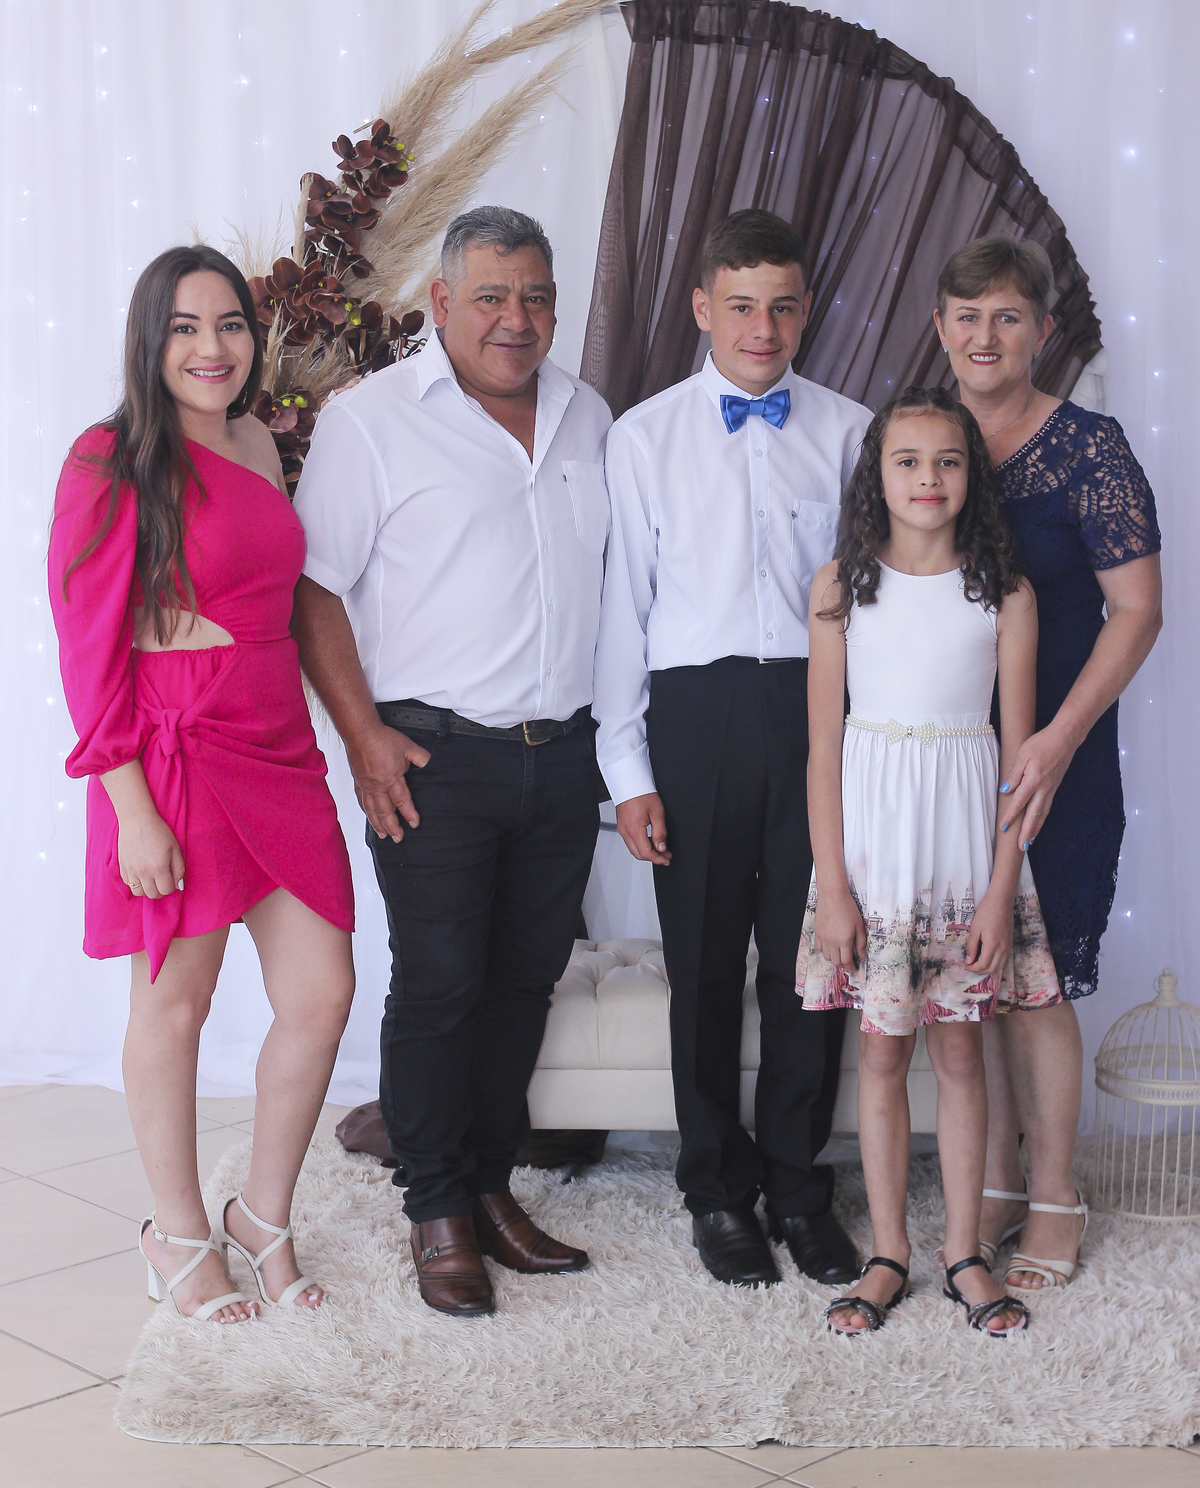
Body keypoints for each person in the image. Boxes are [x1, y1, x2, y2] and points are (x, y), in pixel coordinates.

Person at [291, 206, 611, 1318]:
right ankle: (433, 1205)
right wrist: (362, 737)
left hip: (561, 758)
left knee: (525, 981)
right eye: (490, 296)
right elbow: (315, 587)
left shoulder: (588, 415)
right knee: (439, 985)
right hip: (434, 757)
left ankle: (486, 1184)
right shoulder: (371, 421)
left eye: (534, 297)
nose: (515, 319)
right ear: (441, 302)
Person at [48, 245, 356, 1324]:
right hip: (173, 756)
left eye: (229, 324)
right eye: (184, 327)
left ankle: (262, 1218)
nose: (211, 348)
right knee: (175, 1003)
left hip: (277, 746)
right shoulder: (109, 457)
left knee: (321, 995)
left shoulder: (262, 442)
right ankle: (176, 1236)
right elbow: (87, 649)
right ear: (150, 340)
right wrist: (131, 810)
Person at [593, 208, 870, 1289]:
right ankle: (716, 1188)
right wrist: (628, 772)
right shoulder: (643, 437)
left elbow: (872, 602)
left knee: (808, 963)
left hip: (815, 714)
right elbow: (624, 611)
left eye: (783, 307)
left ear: (806, 312)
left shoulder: (850, 431)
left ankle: (799, 1186)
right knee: (704, 966)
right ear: (704, 307)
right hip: (693, 715)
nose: (764, 328)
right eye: (743, 306)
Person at [798, 387, 1060, 1335]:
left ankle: (962, 1254)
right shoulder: (841, 587)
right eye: (907, 461)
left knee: (959, 1052)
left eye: (948, 461)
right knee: (879, 1054)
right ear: (878, 474)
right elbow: (823, 751)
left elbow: (1017, 763)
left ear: (970, 477)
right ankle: (887, 1254)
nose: (928, 478)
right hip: (873, 857)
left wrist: (999, 893)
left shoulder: (1005, 594)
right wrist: (834, 887)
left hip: (963, 857)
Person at [934, 237, 1163, 1292]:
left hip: (1056, 752)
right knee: (969, 975)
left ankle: (1057, 1192)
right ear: (941, 327)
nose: (986, 336)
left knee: (1038, 980)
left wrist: (1059, 739)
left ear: (1042, 331)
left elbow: (1138, 610)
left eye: (1008, 316)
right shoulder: (923, 441)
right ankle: (988, 1184)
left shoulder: (1090, 449)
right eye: (968, 315)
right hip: (946, 751)